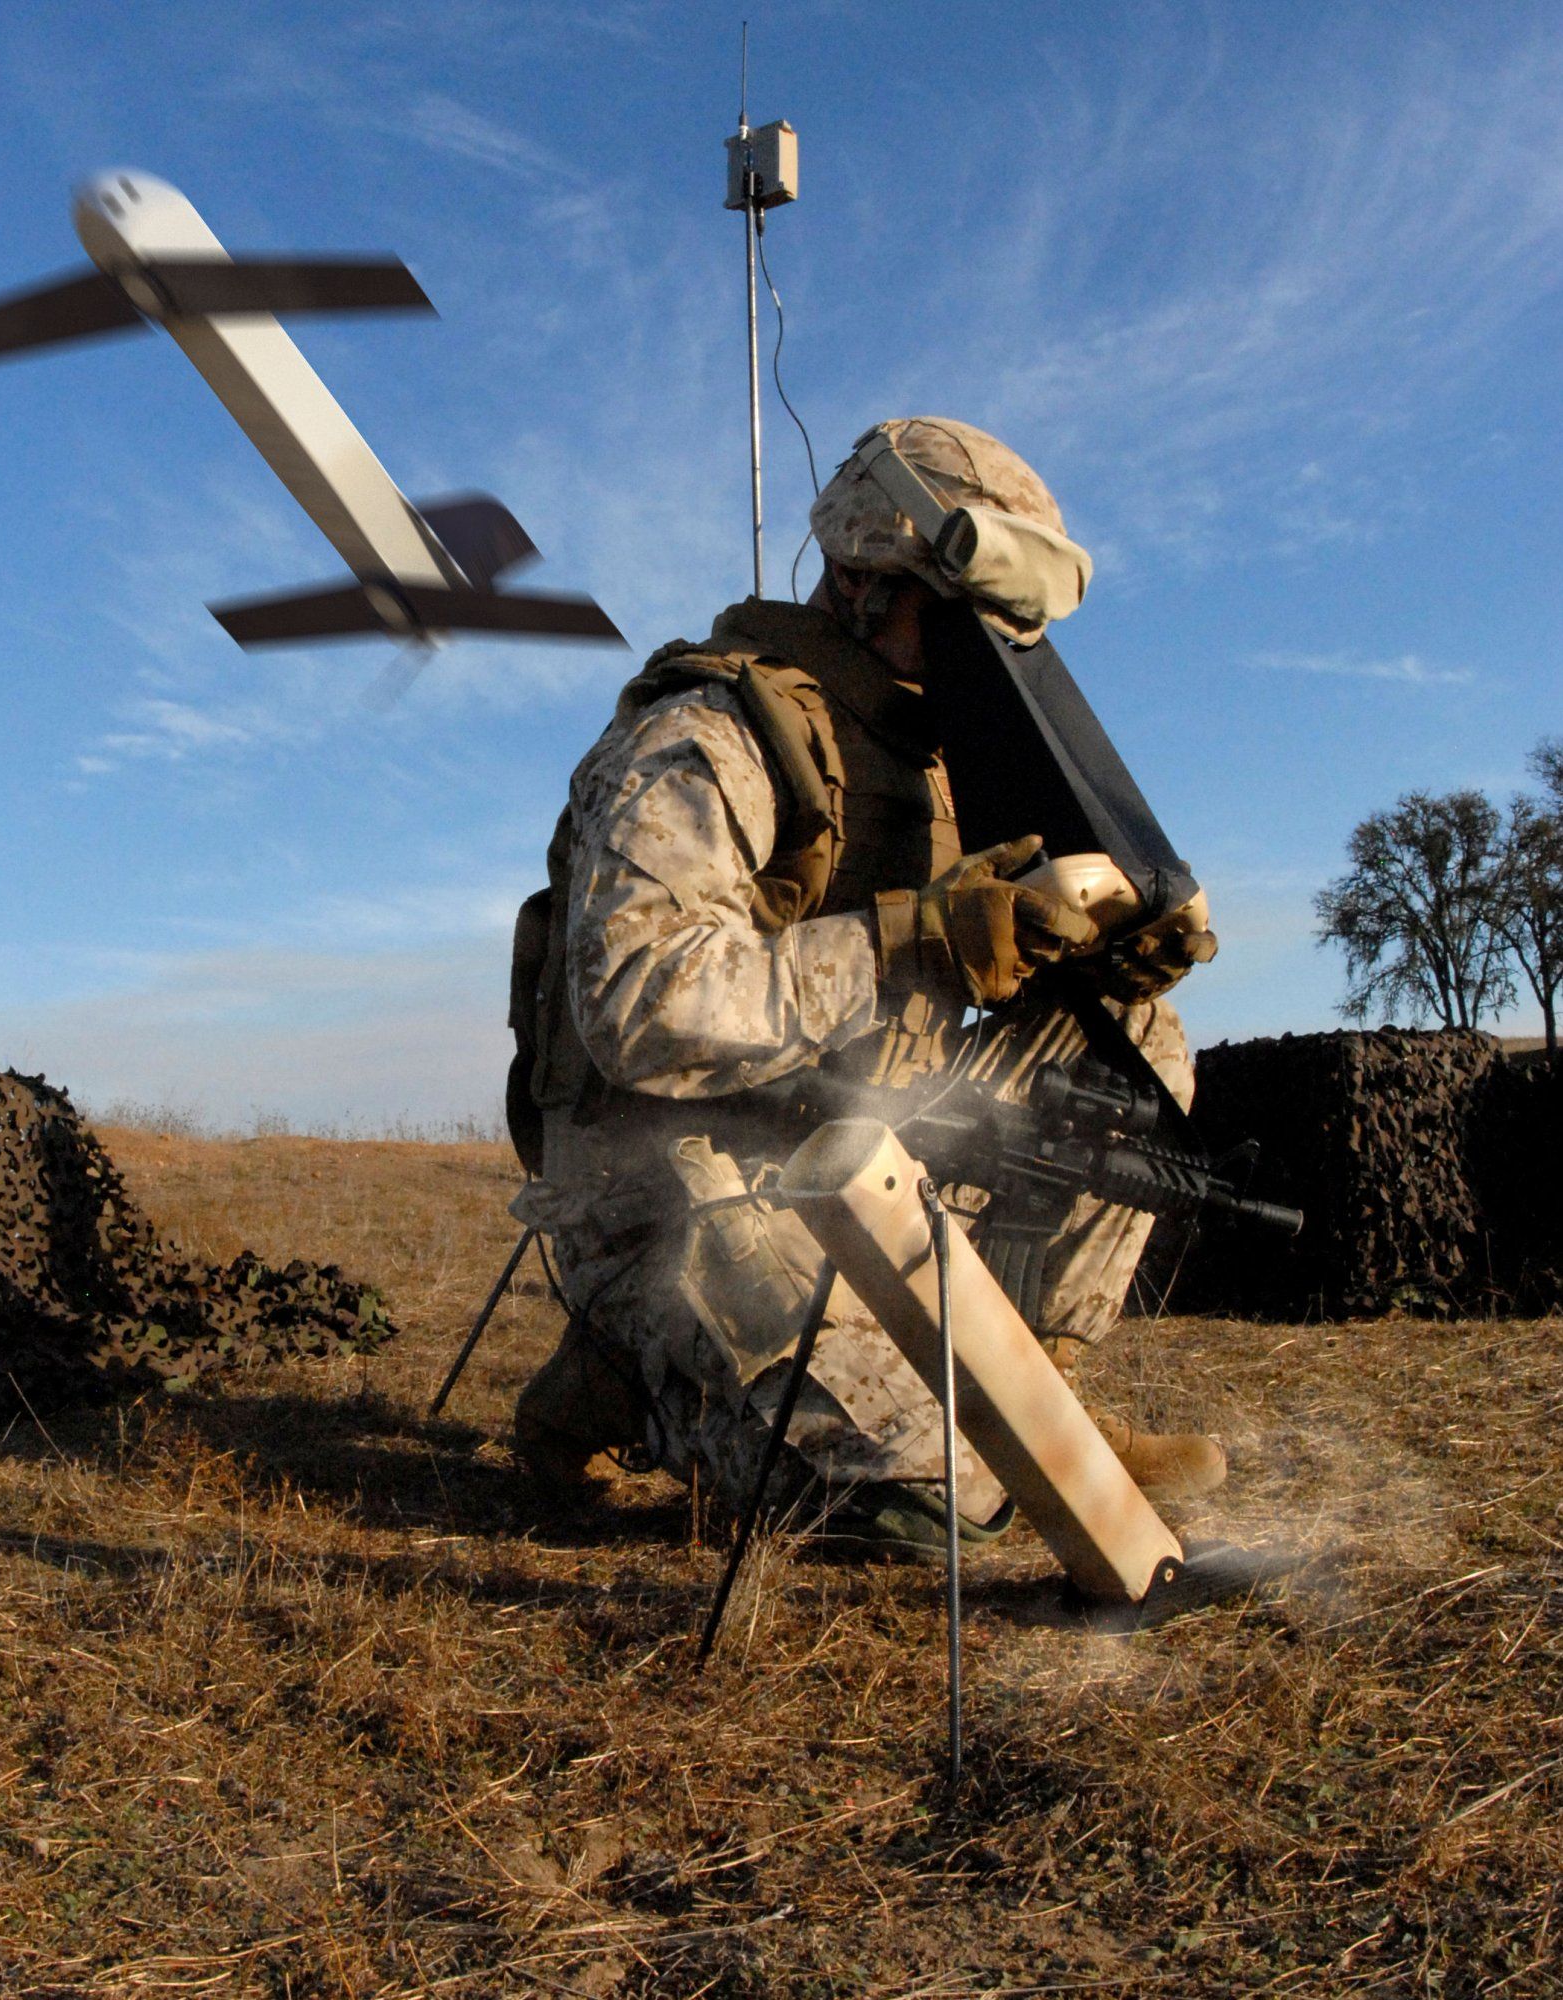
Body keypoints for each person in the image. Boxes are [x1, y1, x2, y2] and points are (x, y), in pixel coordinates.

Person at [505, 418, 1221, 1556]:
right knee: (929, 1506)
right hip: (678, 1179)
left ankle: (1033, 1392)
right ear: (857, 578)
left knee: (1132, 1036)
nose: (990, 650)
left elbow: (991, 978)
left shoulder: (923, 754)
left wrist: (1096, 954)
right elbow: (638, 1001)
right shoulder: (709, 736)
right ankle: (619, 1363)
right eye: (967, 617)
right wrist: (921, 943)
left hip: (862, 1145)